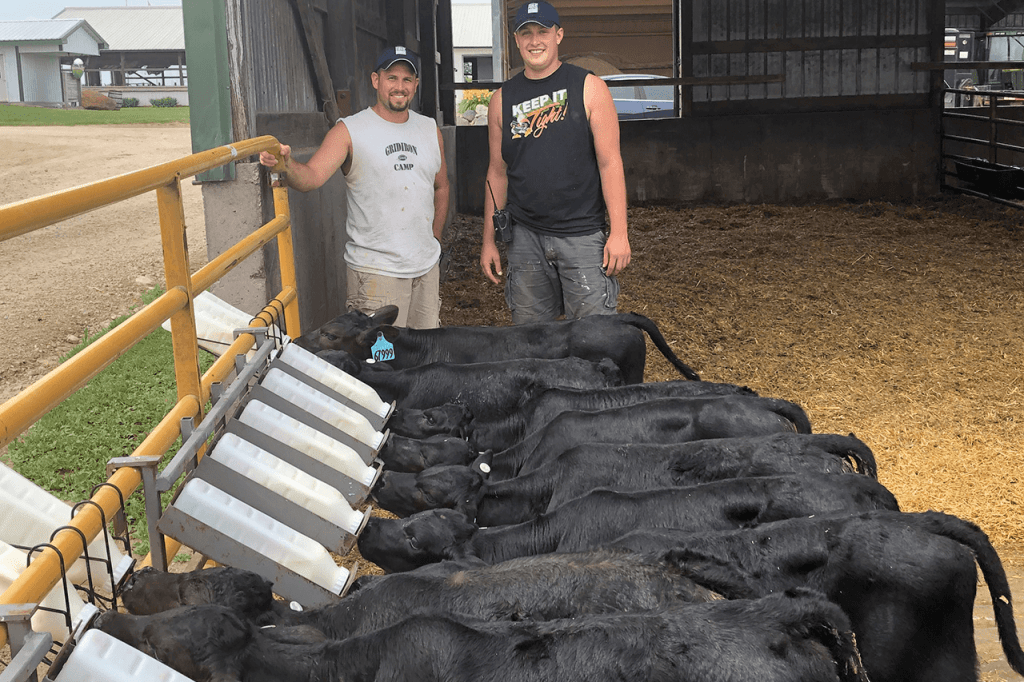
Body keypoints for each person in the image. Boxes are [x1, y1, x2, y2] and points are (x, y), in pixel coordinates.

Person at [259, 46, 449, 329]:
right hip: (376, 274)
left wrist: (434, 240)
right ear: (376, 80)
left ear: (416, 85)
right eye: (392, 78)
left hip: (425, 270)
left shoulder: (429, 129)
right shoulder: (349, 130)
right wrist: (286, 165)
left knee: (425, 358)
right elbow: (311, 177)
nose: (400, 87)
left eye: (407, 79)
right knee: (380, 365)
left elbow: (442, 187)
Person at [480, 1, 630, 324]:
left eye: (542, 32)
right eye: (526, 33)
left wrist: (619, 232)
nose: (535, 41)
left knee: (595, 339)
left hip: (583, 236)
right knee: (532, 344)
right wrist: (488, 240)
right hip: (525, 239)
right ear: (516, 41)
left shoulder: (590, 88)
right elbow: (497, 172)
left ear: (558, 35)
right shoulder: (501, 101)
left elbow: (610, 163)